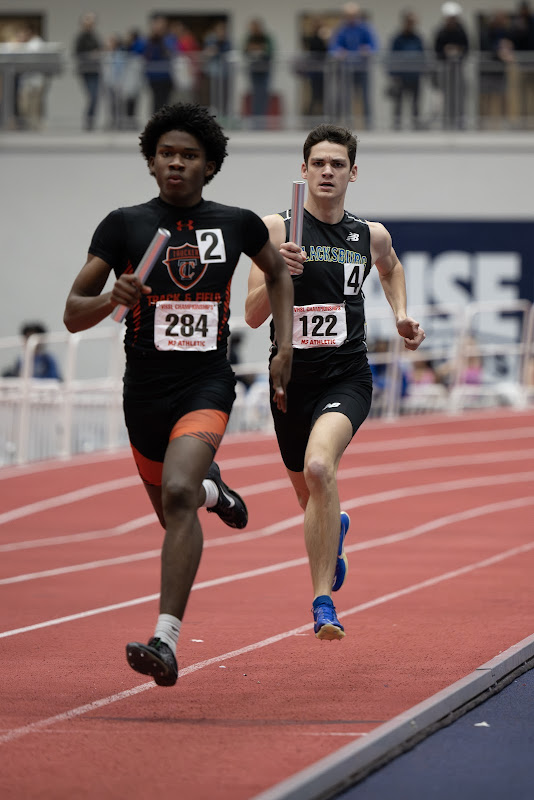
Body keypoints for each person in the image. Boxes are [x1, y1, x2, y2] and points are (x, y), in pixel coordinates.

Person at [63, 102, 294, 686]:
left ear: (209, 166)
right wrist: (114, 298)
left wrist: (283, 347)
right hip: (143, 391)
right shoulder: (123, 226)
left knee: (179, 491)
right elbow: (71, 315)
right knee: (177, 512)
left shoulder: (236, 222)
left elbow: (279, 273)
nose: (176, 163)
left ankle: (164, 640)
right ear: (150, 160)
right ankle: (216, 494)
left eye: (189, 155)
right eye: (166, 153)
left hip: (206, 382)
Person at [245, 123, 425, 641]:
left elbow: (389, 269)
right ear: (303, 170)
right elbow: (254, 316)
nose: (327, 172)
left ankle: (323, 603)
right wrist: (278, 272)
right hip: (288, 380)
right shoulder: (274, 232)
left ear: (352, 173)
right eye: (318, 163)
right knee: (312, 501)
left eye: (337, 164)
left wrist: (402, 314)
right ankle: (335, 530)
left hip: (346, 375)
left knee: (321, 467)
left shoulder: (370, 234)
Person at [387, 11, 426, 130]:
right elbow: (392, 57)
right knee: (398, 103)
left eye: (413, 22)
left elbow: (423, 55)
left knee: (415, 103)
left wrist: (422, 70)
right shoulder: (397, 39)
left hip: (415, 76)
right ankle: (397, 125)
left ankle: (416, 125)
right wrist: (393, 74)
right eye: (409, 22)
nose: (411, 24)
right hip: (401, 76)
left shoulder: (418, 38)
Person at [73, 12, 102, 131]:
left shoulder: (95, 36)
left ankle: (91, 121)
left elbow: (100, 50)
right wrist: (90, 55)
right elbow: (77, 53)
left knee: (95, 97)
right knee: (92, 96)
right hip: (86, 70)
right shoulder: (80, 38)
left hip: (95, 70)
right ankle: (88, 121)